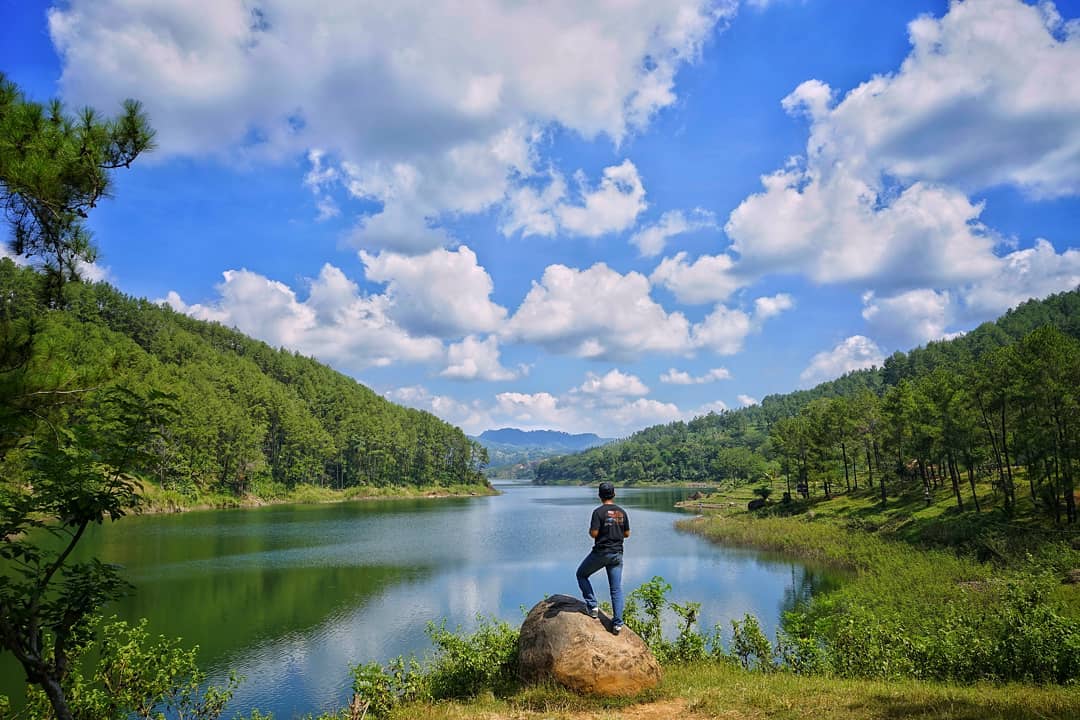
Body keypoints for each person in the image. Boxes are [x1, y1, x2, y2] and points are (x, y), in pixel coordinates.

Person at [576, 481, 630, 634]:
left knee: (581, 574)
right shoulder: (621, 512)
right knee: (616, 589)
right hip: (617, 554)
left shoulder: (598, 512)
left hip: (601, 553)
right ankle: (618, 623)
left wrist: (596, 531)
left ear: (599, 495)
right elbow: (627, 534)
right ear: (614, 494)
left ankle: (592, 607)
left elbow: (594, 534)